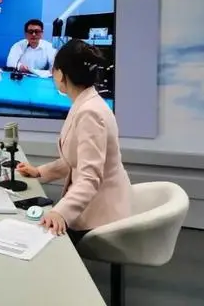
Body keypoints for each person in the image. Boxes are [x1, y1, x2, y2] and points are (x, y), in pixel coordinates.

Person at [16, 39, 131, 245]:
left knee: (34, 236)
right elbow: (76, 159)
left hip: (101, 217)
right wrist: (39, 172)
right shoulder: (85, 103)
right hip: (92, 204)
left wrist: (60, 212)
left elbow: (89, 177)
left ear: (60, 74)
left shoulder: (89, 113)